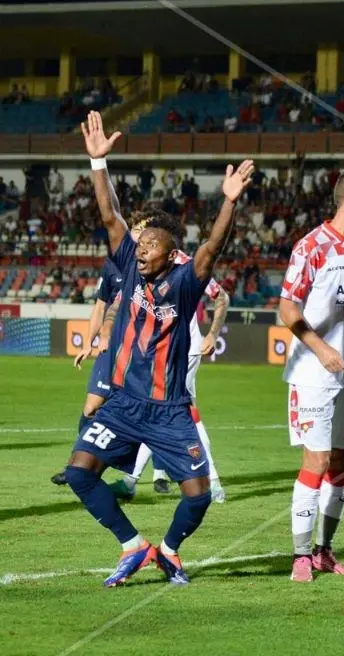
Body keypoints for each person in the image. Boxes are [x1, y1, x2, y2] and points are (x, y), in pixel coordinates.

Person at [65, 110, 251, 587]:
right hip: (124, 402)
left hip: (169, 410)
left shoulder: (186, 284)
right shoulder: (126, 262)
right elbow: (110, 215)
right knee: (80, 473)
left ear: (171, 255)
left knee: (198, 495)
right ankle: (133, 547)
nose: (141, 246)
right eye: (141, 240)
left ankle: (169, 552)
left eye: (151, 244)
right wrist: (97, 164)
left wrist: (228, 203)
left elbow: (211, 249)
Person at [279, 168, 344, 583]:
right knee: (317, 460)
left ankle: (324, 550)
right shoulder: (312, 246)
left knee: (341, 460)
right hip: (312, 372)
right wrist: (322, 349)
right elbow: (288, 309)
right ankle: (300, 555)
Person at [110, 209, 231, 503]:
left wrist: (213, 333)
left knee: (170, 412)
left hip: (181, 351)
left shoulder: (185, 264)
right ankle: (134, 479)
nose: (139, 237)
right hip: (155, 352)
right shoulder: (141, 267)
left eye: (145, 233)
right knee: (158, 411)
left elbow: (222, 296)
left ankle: (210, 480)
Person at [51, 253, 124, 487]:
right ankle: (76, 465)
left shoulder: (150, 266)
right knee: (91, 407)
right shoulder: (112, 265)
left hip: (134, 348)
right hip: (108, 347)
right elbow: (101, 306)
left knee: (132, 414)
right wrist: (88, 342)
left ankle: (152, 474)